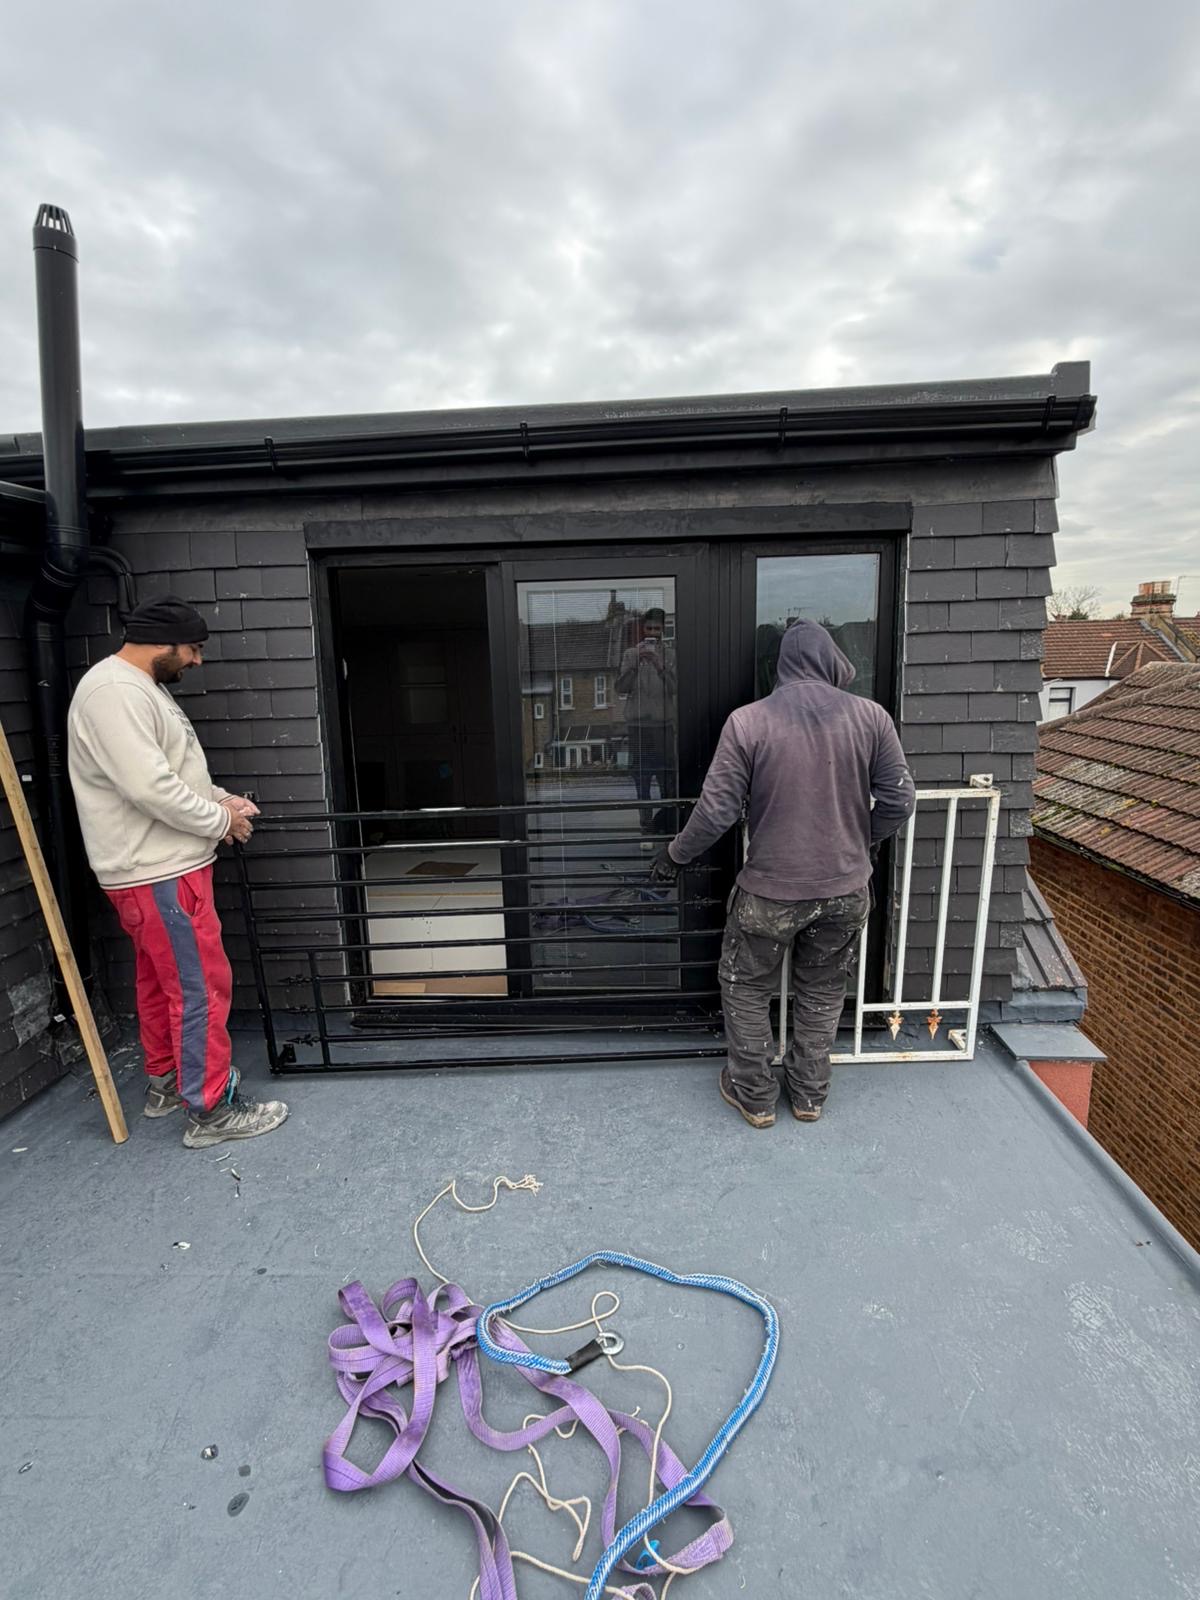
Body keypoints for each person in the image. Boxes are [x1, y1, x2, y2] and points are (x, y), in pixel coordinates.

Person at [653, 620, 915, 1128]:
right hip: (845, 890)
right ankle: (808, 1095)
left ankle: (754, 1096)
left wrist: (675, 855)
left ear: (780, 666)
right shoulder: (871, 718)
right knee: (822, 990)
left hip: (769, 893)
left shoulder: (749, 722)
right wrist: (864, 841)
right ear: (832, 659)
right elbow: (900, 799)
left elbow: (717, 812)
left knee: (746, 986)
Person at [67, 594, 289, 1148]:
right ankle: (211, 1110)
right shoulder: (115, 692)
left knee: (162, 983)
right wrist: (221, 823)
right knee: (199, 988)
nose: (197, 660)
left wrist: (223, 799)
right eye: (192, 648)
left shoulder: (139, 690)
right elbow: (150, 789)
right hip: (160, 872)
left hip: (154, 870)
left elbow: (171, 776)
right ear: (161, 643)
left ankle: (167, 1082)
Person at [616, 606, 677, 844]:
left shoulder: (671, 655)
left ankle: (666, 826)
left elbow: (675, 689)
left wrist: (659, 665)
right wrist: (637, 663)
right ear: (643, 629)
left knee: (667, 780)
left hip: (663, 726)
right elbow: (620, 688)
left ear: (663, 630)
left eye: (657, 629)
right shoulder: (631, 654)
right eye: (649, 628)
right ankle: (646, 829)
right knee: (641, 780)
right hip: (639, 728)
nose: (653, 633)